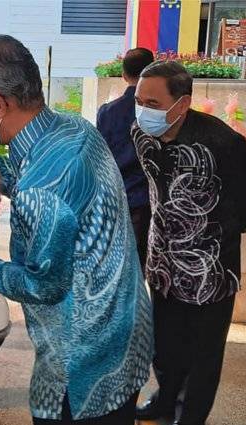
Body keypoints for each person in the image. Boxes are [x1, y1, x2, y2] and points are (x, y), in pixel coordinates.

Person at [0, 35, 153, 425]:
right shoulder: (74, 129)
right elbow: (44, 184)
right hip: (128, 330)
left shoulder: (39, 188)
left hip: (84, 364)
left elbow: (41, 285)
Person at [131, 61, 246, 425]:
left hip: (212, 266)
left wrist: (209, 234)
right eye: (140, 101)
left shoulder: (223, 142)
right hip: (162, 261)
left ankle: (191, 420)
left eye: (153, 102)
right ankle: (165, 397)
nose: (143, 111)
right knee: (165, 340)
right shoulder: (141, 132)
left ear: (183, 103)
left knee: (204, 350)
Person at [97, 47, 154, 269]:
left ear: (123, 74)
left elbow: (101, 154)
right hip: (147, 199)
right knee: (140, 264)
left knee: (116, 263)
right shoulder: (159, 111)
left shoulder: (107, 111)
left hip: (116, 197)